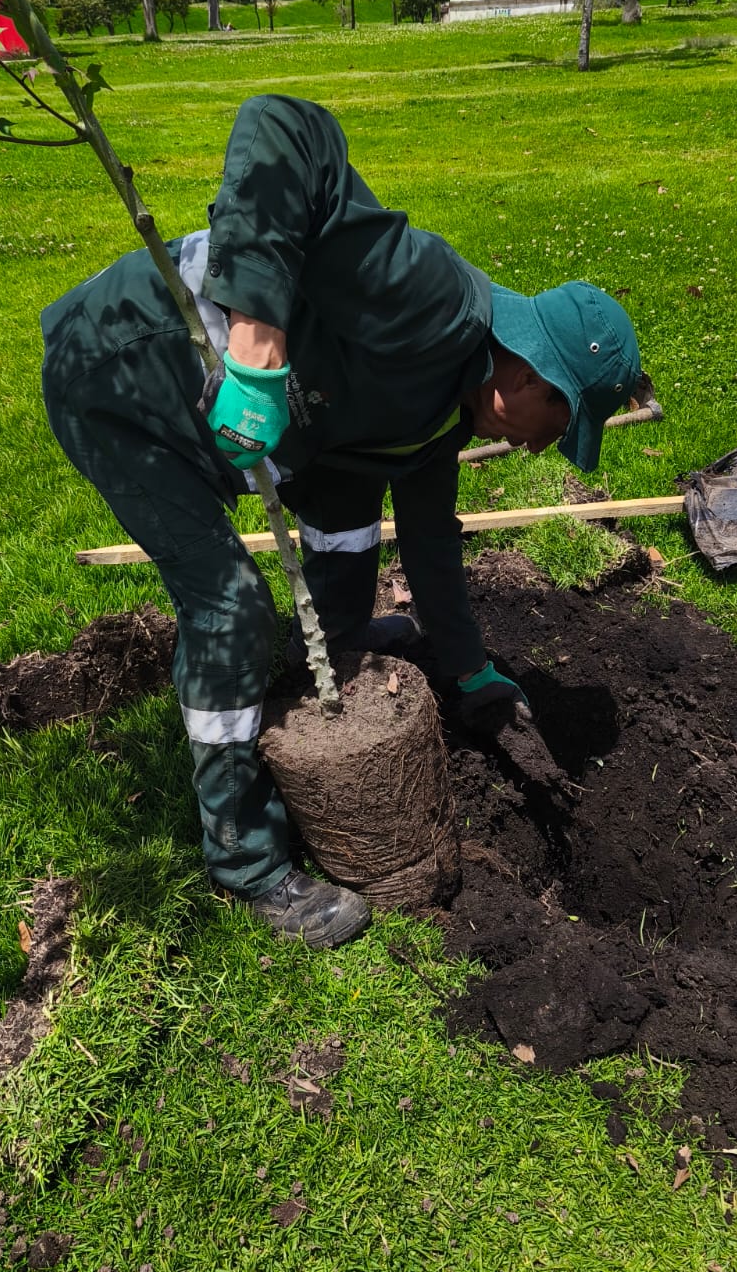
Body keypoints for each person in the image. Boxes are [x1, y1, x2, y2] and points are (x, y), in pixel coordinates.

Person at [41, 94, 643, 951]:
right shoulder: (429, 301)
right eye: (561, 422)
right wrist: (254, 345)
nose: (548, 447)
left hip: (219, 409)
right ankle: (242, 860)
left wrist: (472, 674)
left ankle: (337, 637)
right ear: (536, 373)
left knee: (350, 514)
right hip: (123, 372)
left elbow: (432, 545)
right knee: (229, 608)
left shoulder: (449, 412)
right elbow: (284, 128)